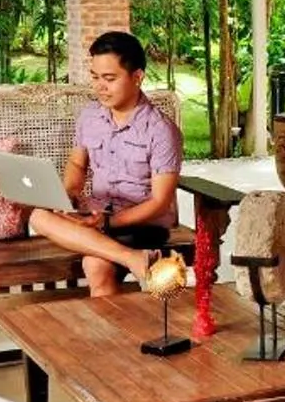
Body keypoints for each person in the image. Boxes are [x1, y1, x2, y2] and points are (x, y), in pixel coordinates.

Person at [29, 30, 183, 297]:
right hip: (96, 217)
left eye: (110, 79)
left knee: (95, 264)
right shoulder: (90, 117)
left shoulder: (161, 130)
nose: (100, 86)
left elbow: (160, 202)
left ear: (137, 77)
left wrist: (108, 223)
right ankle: (134, 259)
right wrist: (69, 196)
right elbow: (77, 165)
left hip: (142, 226)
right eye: (95, 77)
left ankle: (110, 336)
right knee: (39, 216)